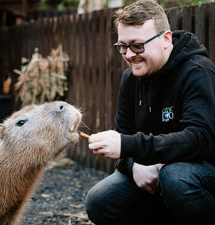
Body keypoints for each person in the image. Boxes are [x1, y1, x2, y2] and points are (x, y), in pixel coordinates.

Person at [84, 0, 215, 224]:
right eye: (122, 46)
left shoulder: (197, 72)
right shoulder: (131, 78)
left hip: (202, 171)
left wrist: (131, 147)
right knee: (99, 200)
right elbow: (124, 134)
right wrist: (134, 165)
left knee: (175, 177)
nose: (128, 54)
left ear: (165, 39)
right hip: (154, 172)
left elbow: (201, 138)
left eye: (137, 45)